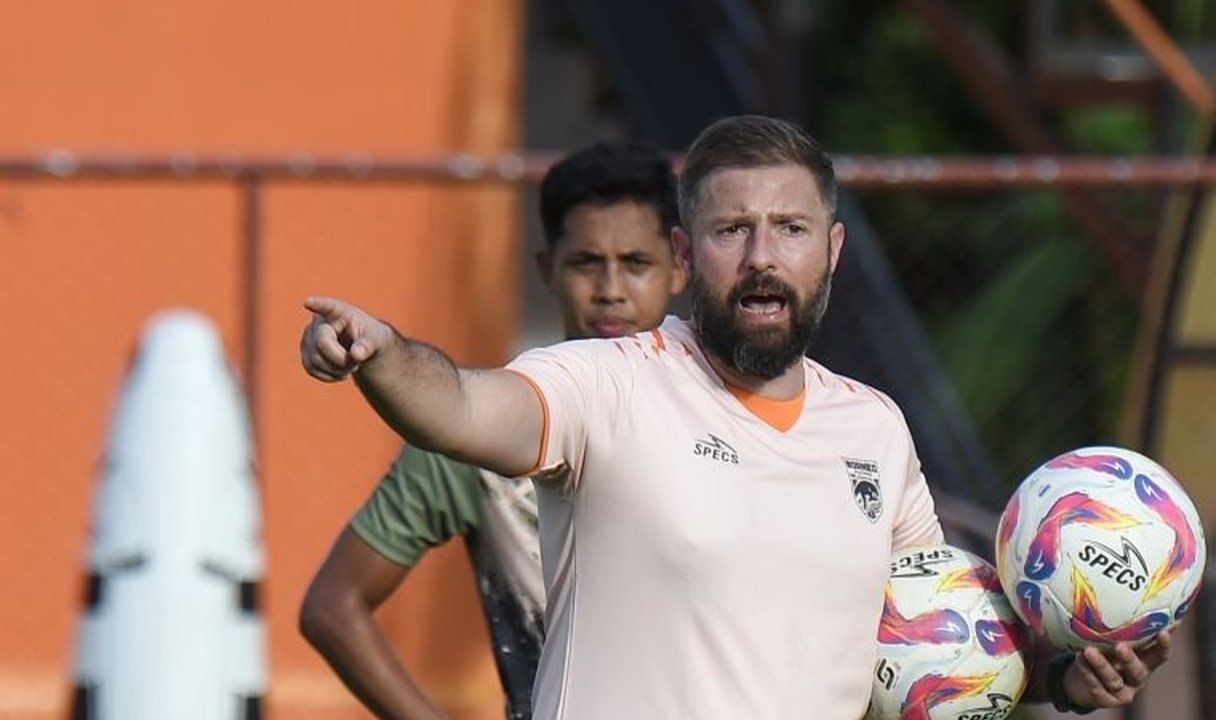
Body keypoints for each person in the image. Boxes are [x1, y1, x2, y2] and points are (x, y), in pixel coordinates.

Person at [299, 115, 1171, 719]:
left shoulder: (873, 429)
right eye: (731, 231)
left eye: (789, 228)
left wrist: (1064, 678)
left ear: (829, 252)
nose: (762, 257)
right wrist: (381, 354)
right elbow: (459, 406)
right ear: (685, 254)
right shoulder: (608, 383)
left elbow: (927, 647)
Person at [297, 142, 688, 720]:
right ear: (546, 269)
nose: (611, 287)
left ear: (680, 266)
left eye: (636, 262)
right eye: (586, 262)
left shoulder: (726, 414)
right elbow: (333, 605)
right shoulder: (481, 434)